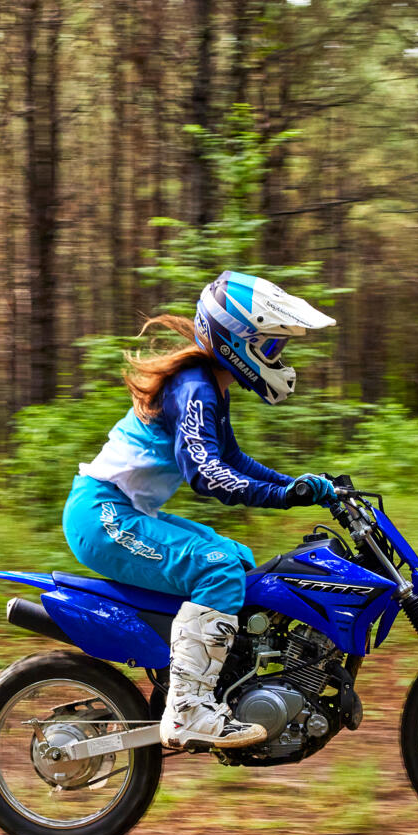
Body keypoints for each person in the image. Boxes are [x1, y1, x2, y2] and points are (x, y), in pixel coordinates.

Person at [62, 271, 337, 749]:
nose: (279, 359)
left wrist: (298, 487)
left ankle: (219, 683)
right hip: (103, 516)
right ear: (238, 341)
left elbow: (234, 460)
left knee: (239, 559)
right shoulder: (196, 388)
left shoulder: (209, 385)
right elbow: (207, 473)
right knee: (217, 568)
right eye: (272, 347)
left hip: (122, 511)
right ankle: (188, 709)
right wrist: (283, 496)